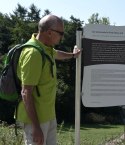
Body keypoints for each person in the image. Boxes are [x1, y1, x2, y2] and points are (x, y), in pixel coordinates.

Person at [16, 14, 81, 145]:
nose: (62, 36)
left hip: (48, 115)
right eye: (61, 33)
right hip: (35, 120)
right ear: (49, 32)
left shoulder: (45, 48)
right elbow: (26, 92)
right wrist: (36, 127)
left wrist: (73, 55)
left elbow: (56, 53)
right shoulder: (33, 54)